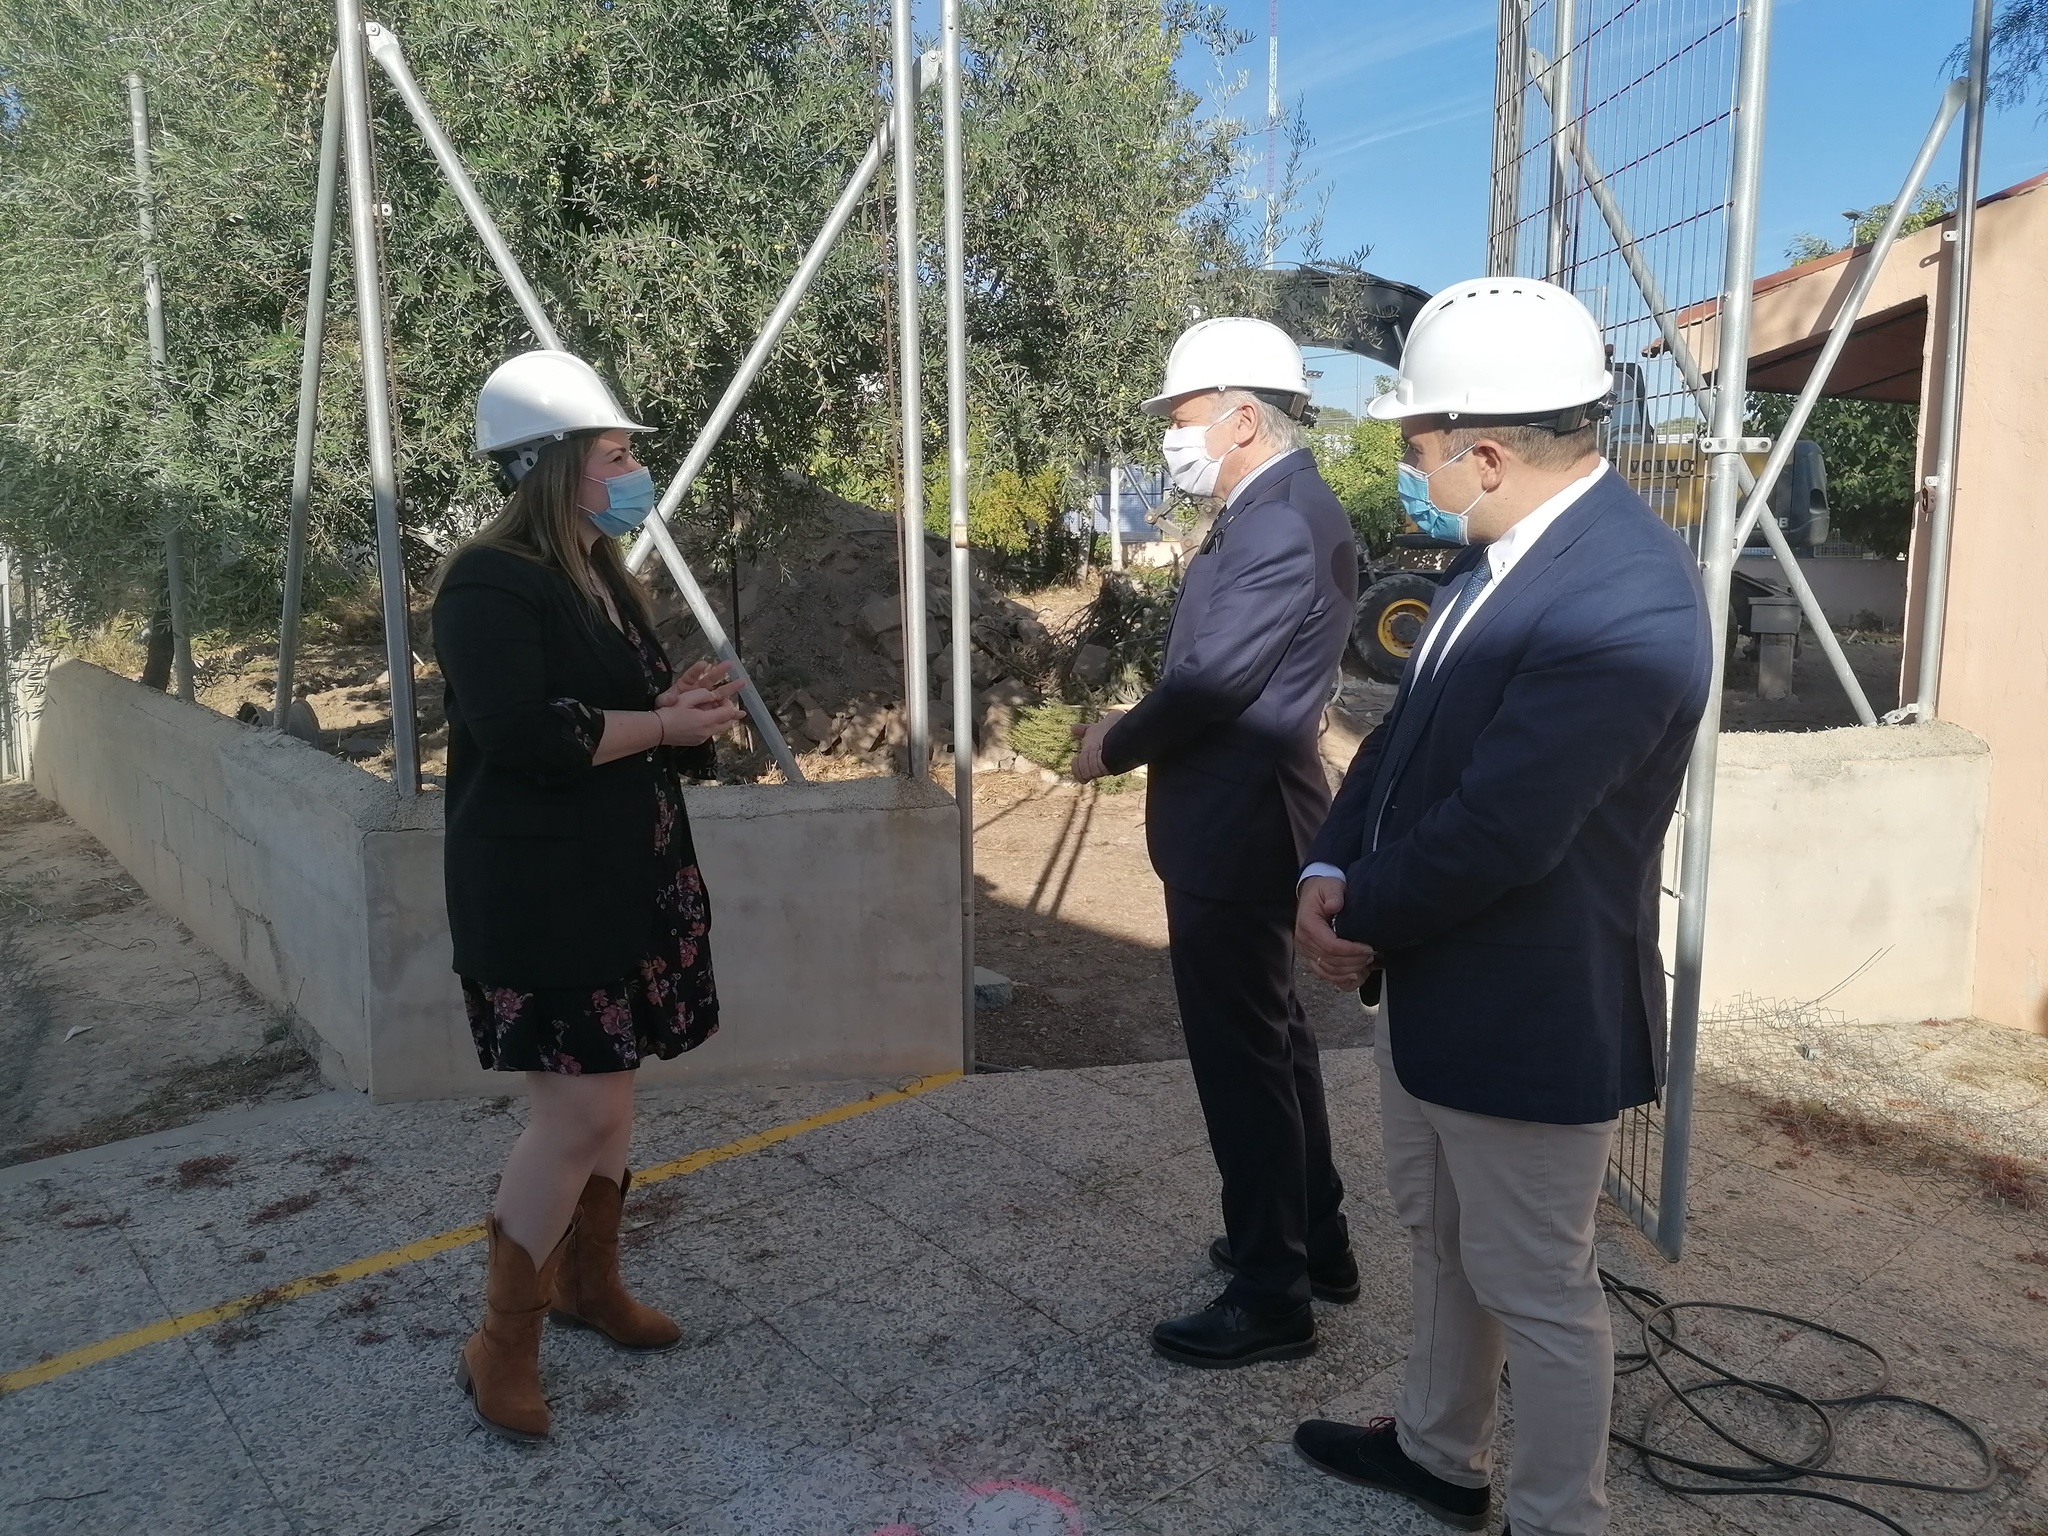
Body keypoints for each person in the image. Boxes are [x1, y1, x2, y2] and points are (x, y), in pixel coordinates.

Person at [1288, 279, 1711, 1536]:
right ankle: (1436, 1451)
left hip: (1527, 1011)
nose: (1406, 469)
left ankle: (1553, 1515)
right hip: (1437, 991)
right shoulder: (1496, 556)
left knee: (1538, 1288)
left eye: (1413, 445)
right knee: (1442, 1243)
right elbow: (1395, 742)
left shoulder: (1618, 595)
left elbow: (1504, 829)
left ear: (1479, 449)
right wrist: (1327, 868)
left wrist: (1360, 908)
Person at [432, 350, 746, 1443]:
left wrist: (678, 710)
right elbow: (524, 733)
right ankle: (498, 1342)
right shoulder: (487, 580)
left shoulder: (599, 574)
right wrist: (661, 726)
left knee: (605, 1099)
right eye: (613, 454)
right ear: (556, 466)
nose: (629, 471)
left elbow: (613, 717)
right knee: (581, 1110)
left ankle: (585, 1287)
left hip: (623, 877)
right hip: (543, 892)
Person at [1070, 317, 1359, 1368]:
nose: (1170, 440)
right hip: (1246, 817)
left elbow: (1209, 683)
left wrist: (1114, 742)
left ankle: (1270, 1290)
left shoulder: (1277, 523)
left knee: (1242, 1060)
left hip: (1236, 824)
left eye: (1181, 420)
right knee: (1274, 1041)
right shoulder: (1270, 510)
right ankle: (1308, 1243)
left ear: (1242, 417)